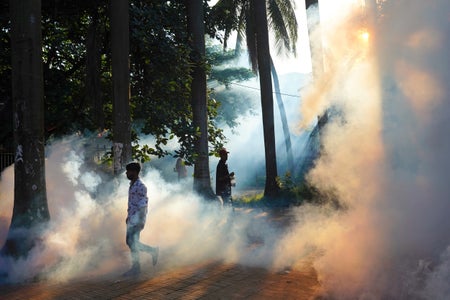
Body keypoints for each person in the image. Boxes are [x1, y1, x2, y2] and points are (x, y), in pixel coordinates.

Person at [123, 162, 159, 277]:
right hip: (132, 218)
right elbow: (133, 203)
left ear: (134, 172)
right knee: (131, 242)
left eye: (128, 171)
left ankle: (136, 268)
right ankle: (151, 251)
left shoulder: (140, 186)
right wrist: (128, 217)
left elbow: (143, 205)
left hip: (137, 219)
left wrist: (140, 221)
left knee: (132, 242)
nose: (126, 173)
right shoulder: (132, 185)